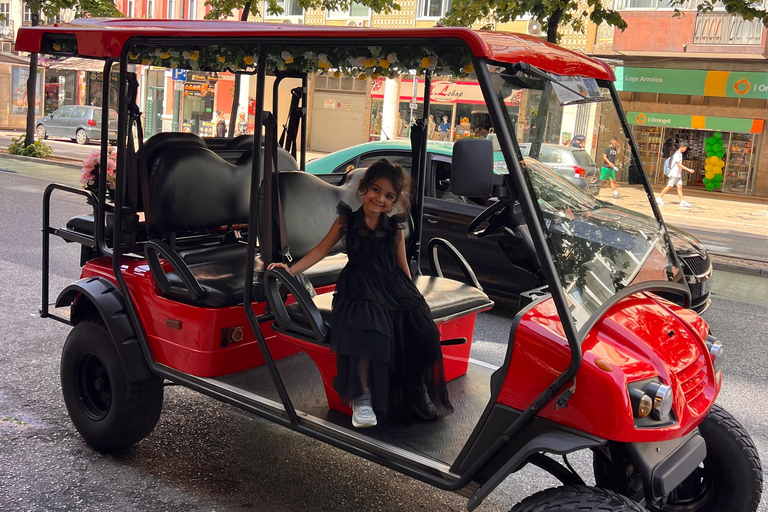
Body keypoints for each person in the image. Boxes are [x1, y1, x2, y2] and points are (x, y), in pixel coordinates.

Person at [267, 159, 453, 428]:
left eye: (389, 196)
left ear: (394, 201)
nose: (380, 199)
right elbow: (320, 251)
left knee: (423, 329)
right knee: (370, 328)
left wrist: (412, 300)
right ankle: (362, 397)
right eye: (376, 190)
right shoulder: (346, 222)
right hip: (358, 286)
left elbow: (402, 267)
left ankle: (416, 387)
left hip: (391, 284)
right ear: (364, 188)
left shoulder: (394, 229)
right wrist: (290, 270)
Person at [656, 141, 695, 207]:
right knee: (669, 186)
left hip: (677, 174)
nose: (685, 149)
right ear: (681, 147)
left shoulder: (680, 154)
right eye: (685, 148)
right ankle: (659, 198)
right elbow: (679, 164)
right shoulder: (677, 154)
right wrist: (688, 169)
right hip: (674, 173)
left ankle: (682, 201)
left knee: (679, 187)